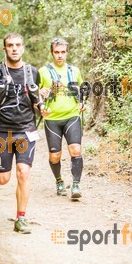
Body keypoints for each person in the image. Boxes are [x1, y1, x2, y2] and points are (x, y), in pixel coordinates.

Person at [0, 33, 45, 234]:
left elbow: (36, 97)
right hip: (3, 132)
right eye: (10, 45)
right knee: (4, 178)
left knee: (24, 173)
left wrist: (42, 107)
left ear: (23, 48)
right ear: (5, 49)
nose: (14, 48)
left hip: (27, 130)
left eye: (18, 45)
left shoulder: (33, 72)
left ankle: (21, 219)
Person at [39, 38, 85, 199]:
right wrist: (40, 95)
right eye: (57, 52)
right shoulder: (43, 71)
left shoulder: (74, 70)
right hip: (52, 119)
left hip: (72, 115)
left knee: (76, 150)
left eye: (63, 52)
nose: (60, 55)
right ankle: (59, 180)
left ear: (67, 53)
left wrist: (82, 102)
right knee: (55, 155)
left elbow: (82, 88)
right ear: (52, 53)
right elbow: (34, 93)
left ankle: (76, 185)